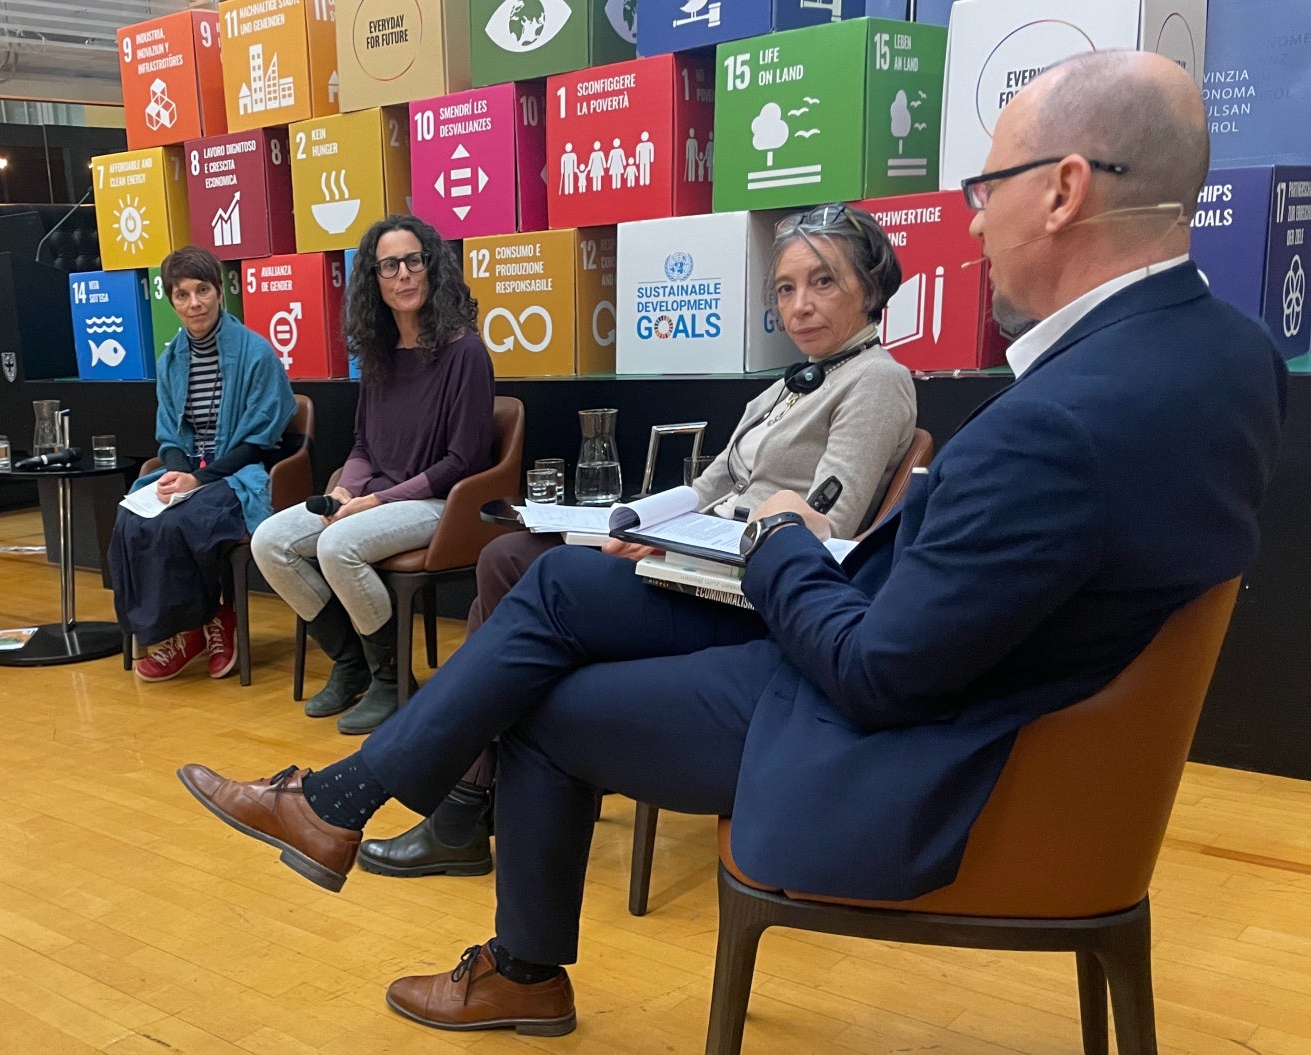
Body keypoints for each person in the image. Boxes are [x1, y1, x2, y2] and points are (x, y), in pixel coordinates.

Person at [175, 51, 1285, 1037]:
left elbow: (879, 668)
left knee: (542, 706)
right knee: (553, 591)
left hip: (920, 744)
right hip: (990, 687)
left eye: (986, 190)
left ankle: (500, 949)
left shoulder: (1056, 419)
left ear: (1066, 189)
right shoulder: (1233, 359)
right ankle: (347, 807)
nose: (976, 223)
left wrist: (778, 540)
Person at [360, 204, 919, 880]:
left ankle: (465, 806)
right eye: (785, 287)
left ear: (871, 284)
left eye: (822, 281)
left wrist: (676, 544)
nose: (799, 305)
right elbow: (709, 483)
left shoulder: (876, 379)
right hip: (697, 555)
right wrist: (634, 522)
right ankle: (474, 802)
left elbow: (831, 525)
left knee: (514, 583)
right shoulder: (790, 385)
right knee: (506, 560)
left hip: (742, 593)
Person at [251, 215, 495, 735]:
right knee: (269, 541)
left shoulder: (465, 351)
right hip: (379, 497)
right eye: (389, 265)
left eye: (413, 261)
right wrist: (347, 488)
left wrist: (378, 502)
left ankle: (391, 680)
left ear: (432, 268)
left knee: (338, 544)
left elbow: (464, 462)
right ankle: (351, 662)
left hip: (440, 503)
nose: (403, 274)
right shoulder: (378, 354)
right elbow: (363, 446)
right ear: (374, 280)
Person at [110, 246, 296, 681]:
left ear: (219, 291)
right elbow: (170, 435)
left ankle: (212, 619)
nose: (194, 303)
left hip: (239, 473)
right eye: (182, 295)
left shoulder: (256, 353)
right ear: (172, 302)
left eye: (202, 290)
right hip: (191, 471)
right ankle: (184, 630)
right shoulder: (171, 359)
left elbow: (259, 442)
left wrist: (198, 480)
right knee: (131, 518)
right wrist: (178, 472)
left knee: (182, 521)